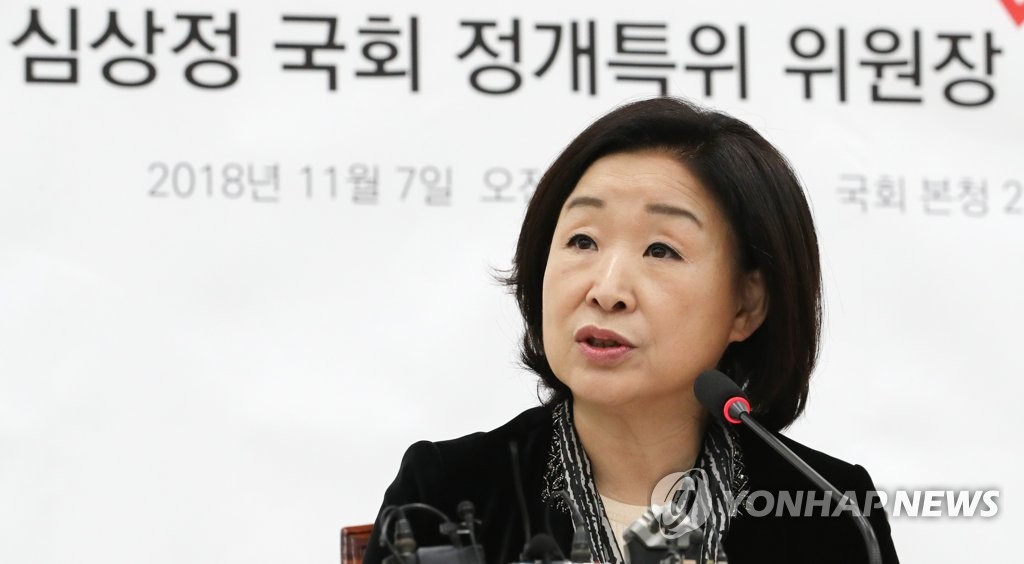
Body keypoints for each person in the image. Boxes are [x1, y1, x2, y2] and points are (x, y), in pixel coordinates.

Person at [362, 97, 899, 563]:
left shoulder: (831, 508)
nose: (607, 289)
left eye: (661, 250)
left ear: (746, 305)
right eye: (582, 241)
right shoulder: (448, 490)